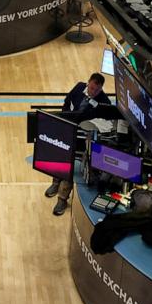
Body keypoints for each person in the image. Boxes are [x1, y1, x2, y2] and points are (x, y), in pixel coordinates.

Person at [44, 73, 113, 216]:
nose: (93, 92)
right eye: (92, 88)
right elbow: (66, 102)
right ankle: (56, 182)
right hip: (67, 128)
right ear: (88, 83)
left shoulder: (104, 102)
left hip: (84, 137)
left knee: (70, 166)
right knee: (59, 158)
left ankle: (62, 198)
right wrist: (64, 120)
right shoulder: (78, 87)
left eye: (97, 90)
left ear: (101, 89)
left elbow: (105, 125)